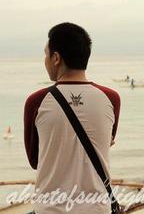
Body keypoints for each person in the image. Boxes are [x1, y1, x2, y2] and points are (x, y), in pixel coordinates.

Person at [24, 23, 120, 214]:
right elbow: (103, 144)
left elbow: (35, 161)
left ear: (56, 58)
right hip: (97, 208)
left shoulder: (36, 101)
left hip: (50, 209)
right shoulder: (111, 98)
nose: (45, 60)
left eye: (46, 54)